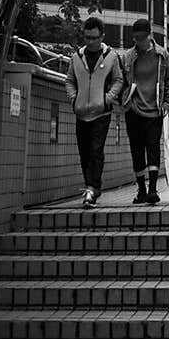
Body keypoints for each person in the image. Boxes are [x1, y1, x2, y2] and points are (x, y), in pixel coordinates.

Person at [64, 14, 124, 207]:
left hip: (102, 112)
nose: (90, 42)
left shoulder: (111, 57)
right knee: (84, 152)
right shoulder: (76, 57)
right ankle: (90, 186)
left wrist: (108, 99)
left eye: (94, 38)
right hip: (81, 112)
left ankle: (92, 189)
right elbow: (69, 80)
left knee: (96, 150)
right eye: (87, 37)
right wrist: (73, 99)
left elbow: (119, 80)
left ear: (102, 36)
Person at [120, 17, 169, 206]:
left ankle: (152, 189)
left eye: (141, 38)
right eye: (135, 38)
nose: (138, 42)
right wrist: (122, 101)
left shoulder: (162, 55)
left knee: (153, 147)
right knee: (137, 149)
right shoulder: (129, 56)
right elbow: (122, 81)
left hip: (155, 109)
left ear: (149, 35)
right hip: (133, 108)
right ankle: (141, 189)